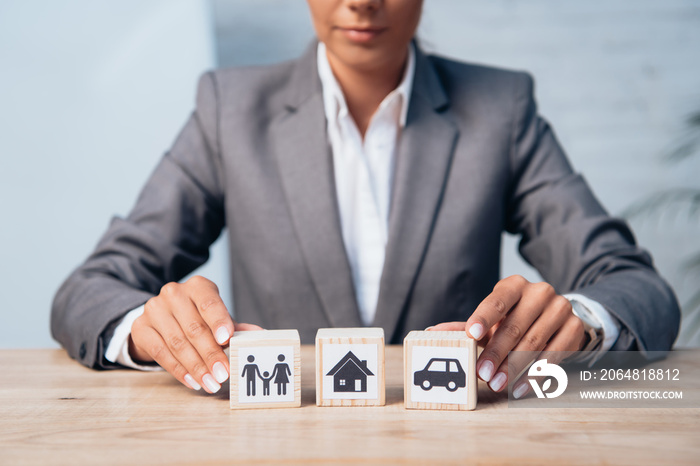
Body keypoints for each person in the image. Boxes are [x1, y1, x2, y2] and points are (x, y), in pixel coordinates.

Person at [51, 0, 680, 398]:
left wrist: (582, 320)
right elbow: (91, 288)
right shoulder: (229, 110)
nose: (360, 1)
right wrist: (147, 329)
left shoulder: (501, 109)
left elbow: (635, 287)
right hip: (279, 446)